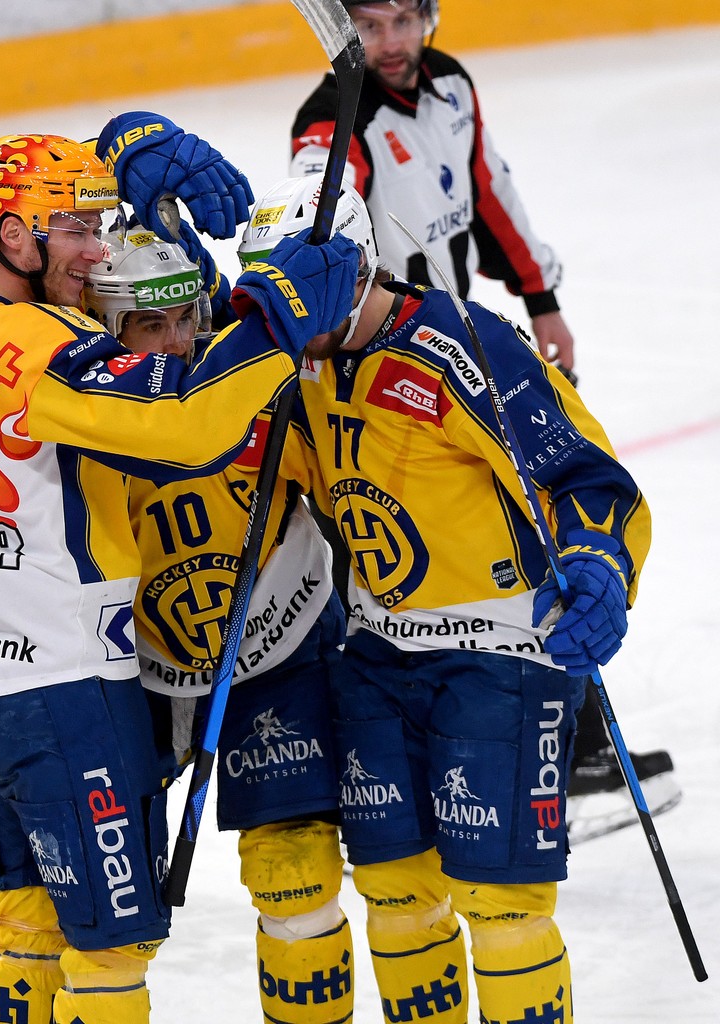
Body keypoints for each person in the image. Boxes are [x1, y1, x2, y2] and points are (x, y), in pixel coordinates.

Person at [0, 124, 361, 1024]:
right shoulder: (32, 349)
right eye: (78, 231)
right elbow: (182, 422)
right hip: (60, 673)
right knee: (111, 946)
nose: (96, 251)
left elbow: (47, 215)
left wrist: (122, 148)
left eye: (99, 224)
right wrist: (273, 318)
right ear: (16, 235)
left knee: (32, 917)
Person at [240, 173, 651, 1022]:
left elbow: (583, 472)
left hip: (498, 656)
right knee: (393, 889)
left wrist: (601, 564)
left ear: (354, 270)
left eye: (295, 290)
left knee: (502, 907)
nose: (279, 313)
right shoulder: (294, 363)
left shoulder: (459, 339)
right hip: (379, 656)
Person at [288, 0, 679, 834]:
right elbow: (322, 220)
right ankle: (502, 749)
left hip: (473, 355)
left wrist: (540, 296)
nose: (387, 43)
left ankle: (566, 747)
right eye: (368, 25)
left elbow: (490, 193)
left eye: (402, 21)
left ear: (428, 17)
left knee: (543, 529)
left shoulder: (452, 86)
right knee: (458, 558)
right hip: (388, 373)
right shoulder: (329, 121)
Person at [85, 227, 355, 1024]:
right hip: (134, 666)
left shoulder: (256, 389)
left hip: (282, 642)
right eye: (148, 327)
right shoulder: (84, 423)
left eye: (187, 320)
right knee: (101, 910)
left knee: (295, 877)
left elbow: (349, 480)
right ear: (108, 334)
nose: (176, 344)